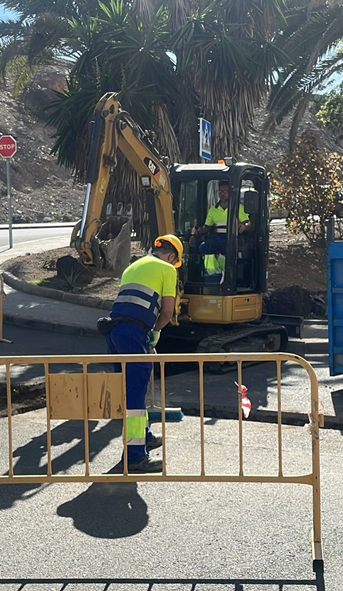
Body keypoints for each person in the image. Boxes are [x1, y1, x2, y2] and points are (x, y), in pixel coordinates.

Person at [105, 234, 181, 473]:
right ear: (171, 256)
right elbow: (167, 312)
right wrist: (156, 331)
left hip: (114, 331)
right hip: (133, 334)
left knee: (129, 390)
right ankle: (135, 456)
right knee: (136, 396)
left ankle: (145, 437)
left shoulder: (133, 266)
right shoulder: (167, 269)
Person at [192, 180, 249, 282]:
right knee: (204, 247)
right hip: (217, 237)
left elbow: (247, 222)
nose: (222, 194)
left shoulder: (237, 208)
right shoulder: (213, 209)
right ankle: (212, 275)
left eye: (225, 191)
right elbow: (208, 227)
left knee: (228, 251)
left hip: (231, 237)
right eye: (220, 191)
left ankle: (228, 275)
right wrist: (199, 231)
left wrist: (244, 226)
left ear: (230, 192)